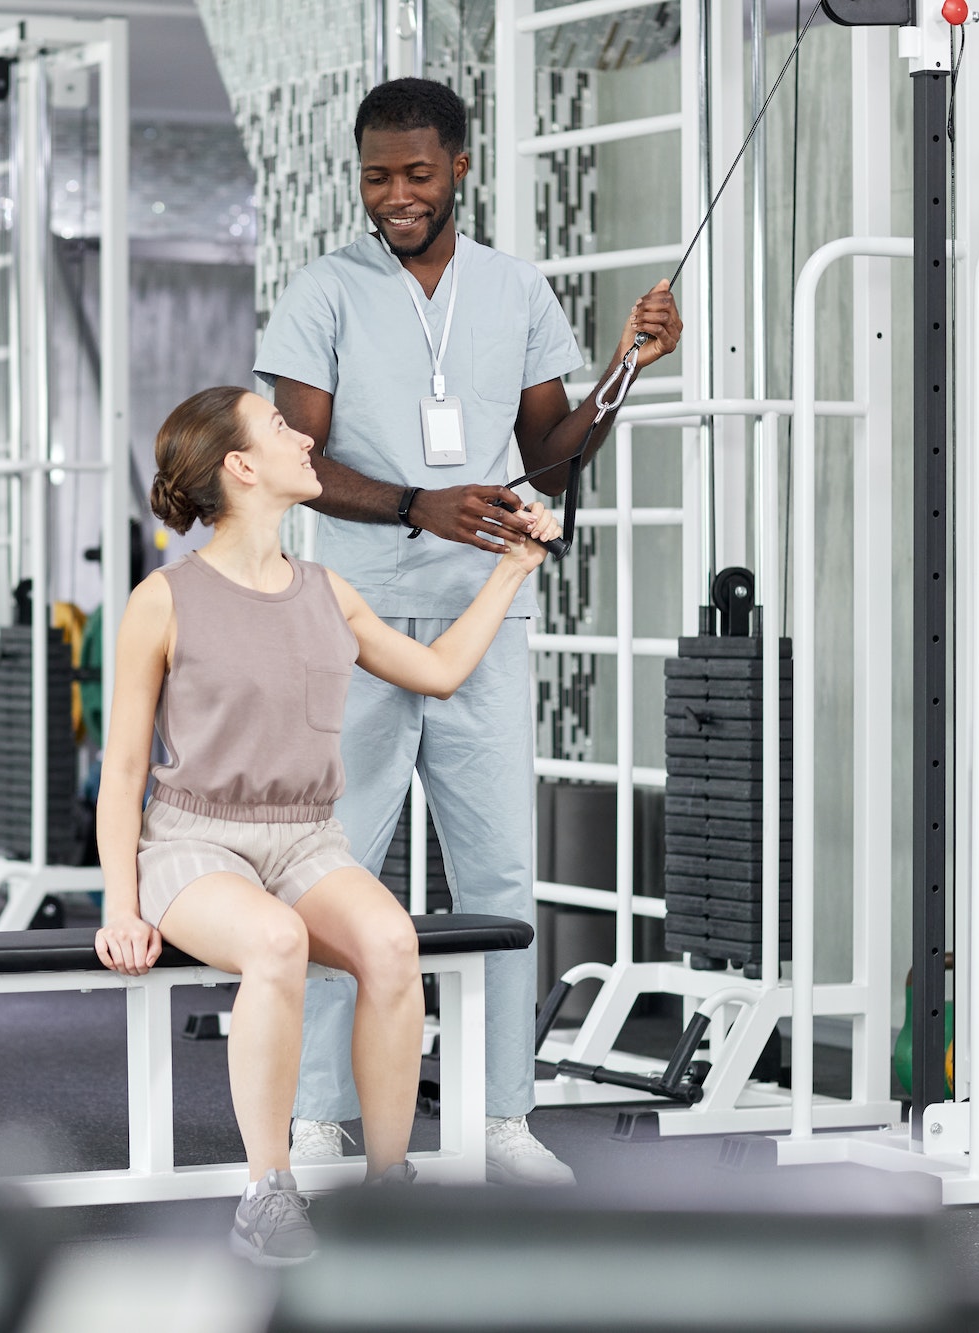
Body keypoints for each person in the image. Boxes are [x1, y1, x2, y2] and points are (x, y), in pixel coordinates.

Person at [252, 76, 683, 1184]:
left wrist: (627, 368)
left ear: (459, 168)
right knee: (338, 869)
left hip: (486, 619)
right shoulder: (321, 292)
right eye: (375, 175)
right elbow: (295, 464)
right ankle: (317, 1117)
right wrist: (412, 504)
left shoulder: (512, 289)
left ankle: (499, 1116)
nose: (393, 194)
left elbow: (548, 455)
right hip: (350, 623)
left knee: (496, 872)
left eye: (414, 173)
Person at [93, 386, 559, 1265]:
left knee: (390, 943)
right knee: (275, 942)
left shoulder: (325, 590)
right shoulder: (163, 598)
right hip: (196, 840)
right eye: (278, 427)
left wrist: (510, 571)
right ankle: (267, 1190)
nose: (304, 436)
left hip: (307, 837)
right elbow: (122, 770)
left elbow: (440, 671)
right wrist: (123, 903)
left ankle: (391, 1186)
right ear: (240, 467)